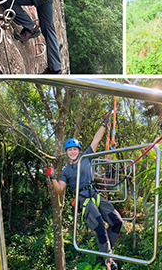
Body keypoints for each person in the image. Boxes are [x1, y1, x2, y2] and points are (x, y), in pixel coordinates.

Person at [48, 112, 122, 270]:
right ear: (67, 153)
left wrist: (104, 123)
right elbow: (60, 189)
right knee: (100, 227)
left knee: (117, 222)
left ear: (79, 150)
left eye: (75, 149)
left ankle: (105, 255)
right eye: (70, 150)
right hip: (82, 198)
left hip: (94, 194)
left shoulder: (86, 157)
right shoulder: (67, 170)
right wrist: (53, 177)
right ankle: (109, 261)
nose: (73, 152)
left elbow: (96, 139)